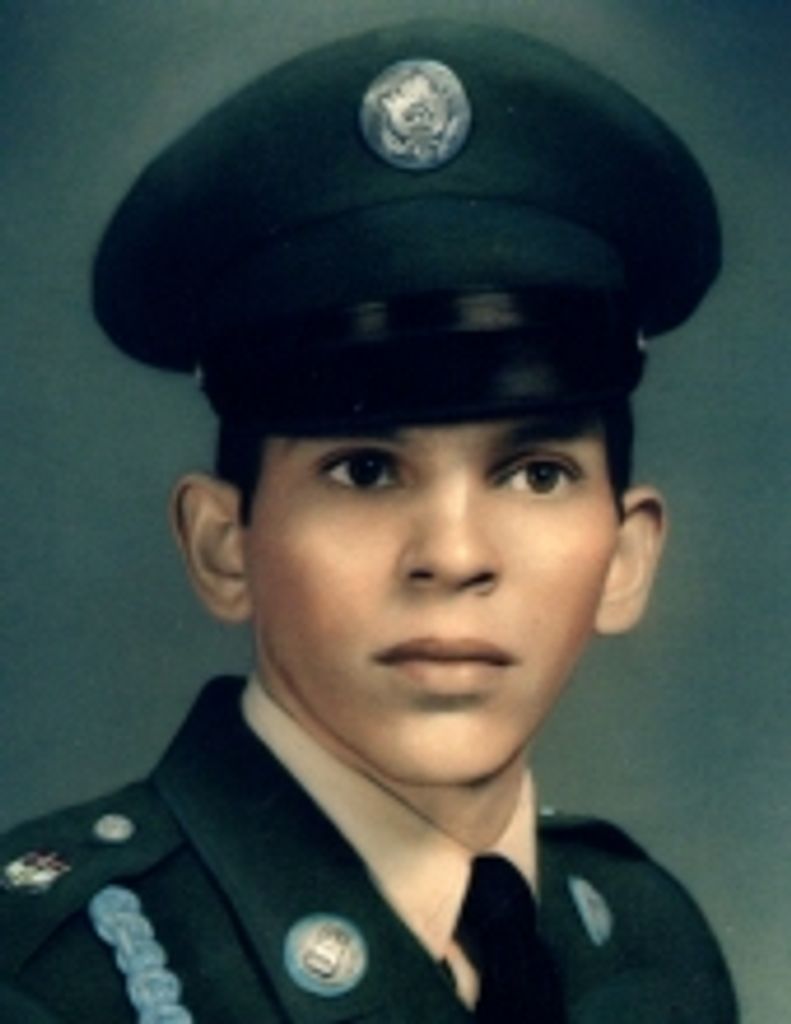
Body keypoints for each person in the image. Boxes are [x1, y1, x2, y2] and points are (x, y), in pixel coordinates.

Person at [0, 18, 738, 1023]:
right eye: (364, 470)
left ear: (626, 554)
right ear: (222, 546)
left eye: (534, 474)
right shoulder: (46, 984)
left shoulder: (649, 942)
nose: (454, 555)